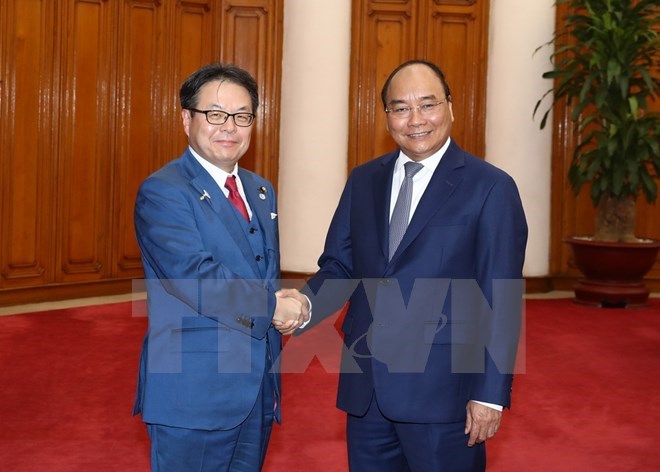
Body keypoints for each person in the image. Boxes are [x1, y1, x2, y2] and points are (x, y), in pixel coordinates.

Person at [283, 59, 528, 471]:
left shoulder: (491, 188)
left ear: (450, 107)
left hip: (444, 396)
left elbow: (500, 298)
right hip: (367, 391)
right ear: (387, 117)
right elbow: (340, 267)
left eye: (427, 104)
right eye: (400, 108)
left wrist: (489, 394)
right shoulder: (364, 180)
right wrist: (304, 306)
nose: (415, 119)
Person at [133, 63, 309, 471]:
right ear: (186, 119)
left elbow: (256, 273)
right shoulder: (164, 190)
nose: (229, 126)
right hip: (194, 394)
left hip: (257, 391)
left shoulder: (261, 190)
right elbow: (195, 276)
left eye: (242, 115)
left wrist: (280, 296)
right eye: (214, 114)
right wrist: (273, 307)